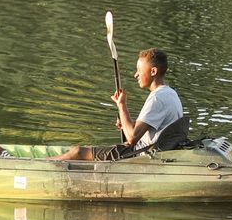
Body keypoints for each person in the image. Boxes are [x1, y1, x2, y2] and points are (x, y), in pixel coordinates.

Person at [56, 47, 188, 161]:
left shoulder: (157, 98)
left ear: (153, 71)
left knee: (78, 152)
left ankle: (38, 165)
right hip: (152, 149)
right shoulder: (170, 93)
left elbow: (132, 138)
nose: (135, 75)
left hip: (140, 155)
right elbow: (145, 128)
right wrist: (125, 124)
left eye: (139, 70)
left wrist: (122, 106)